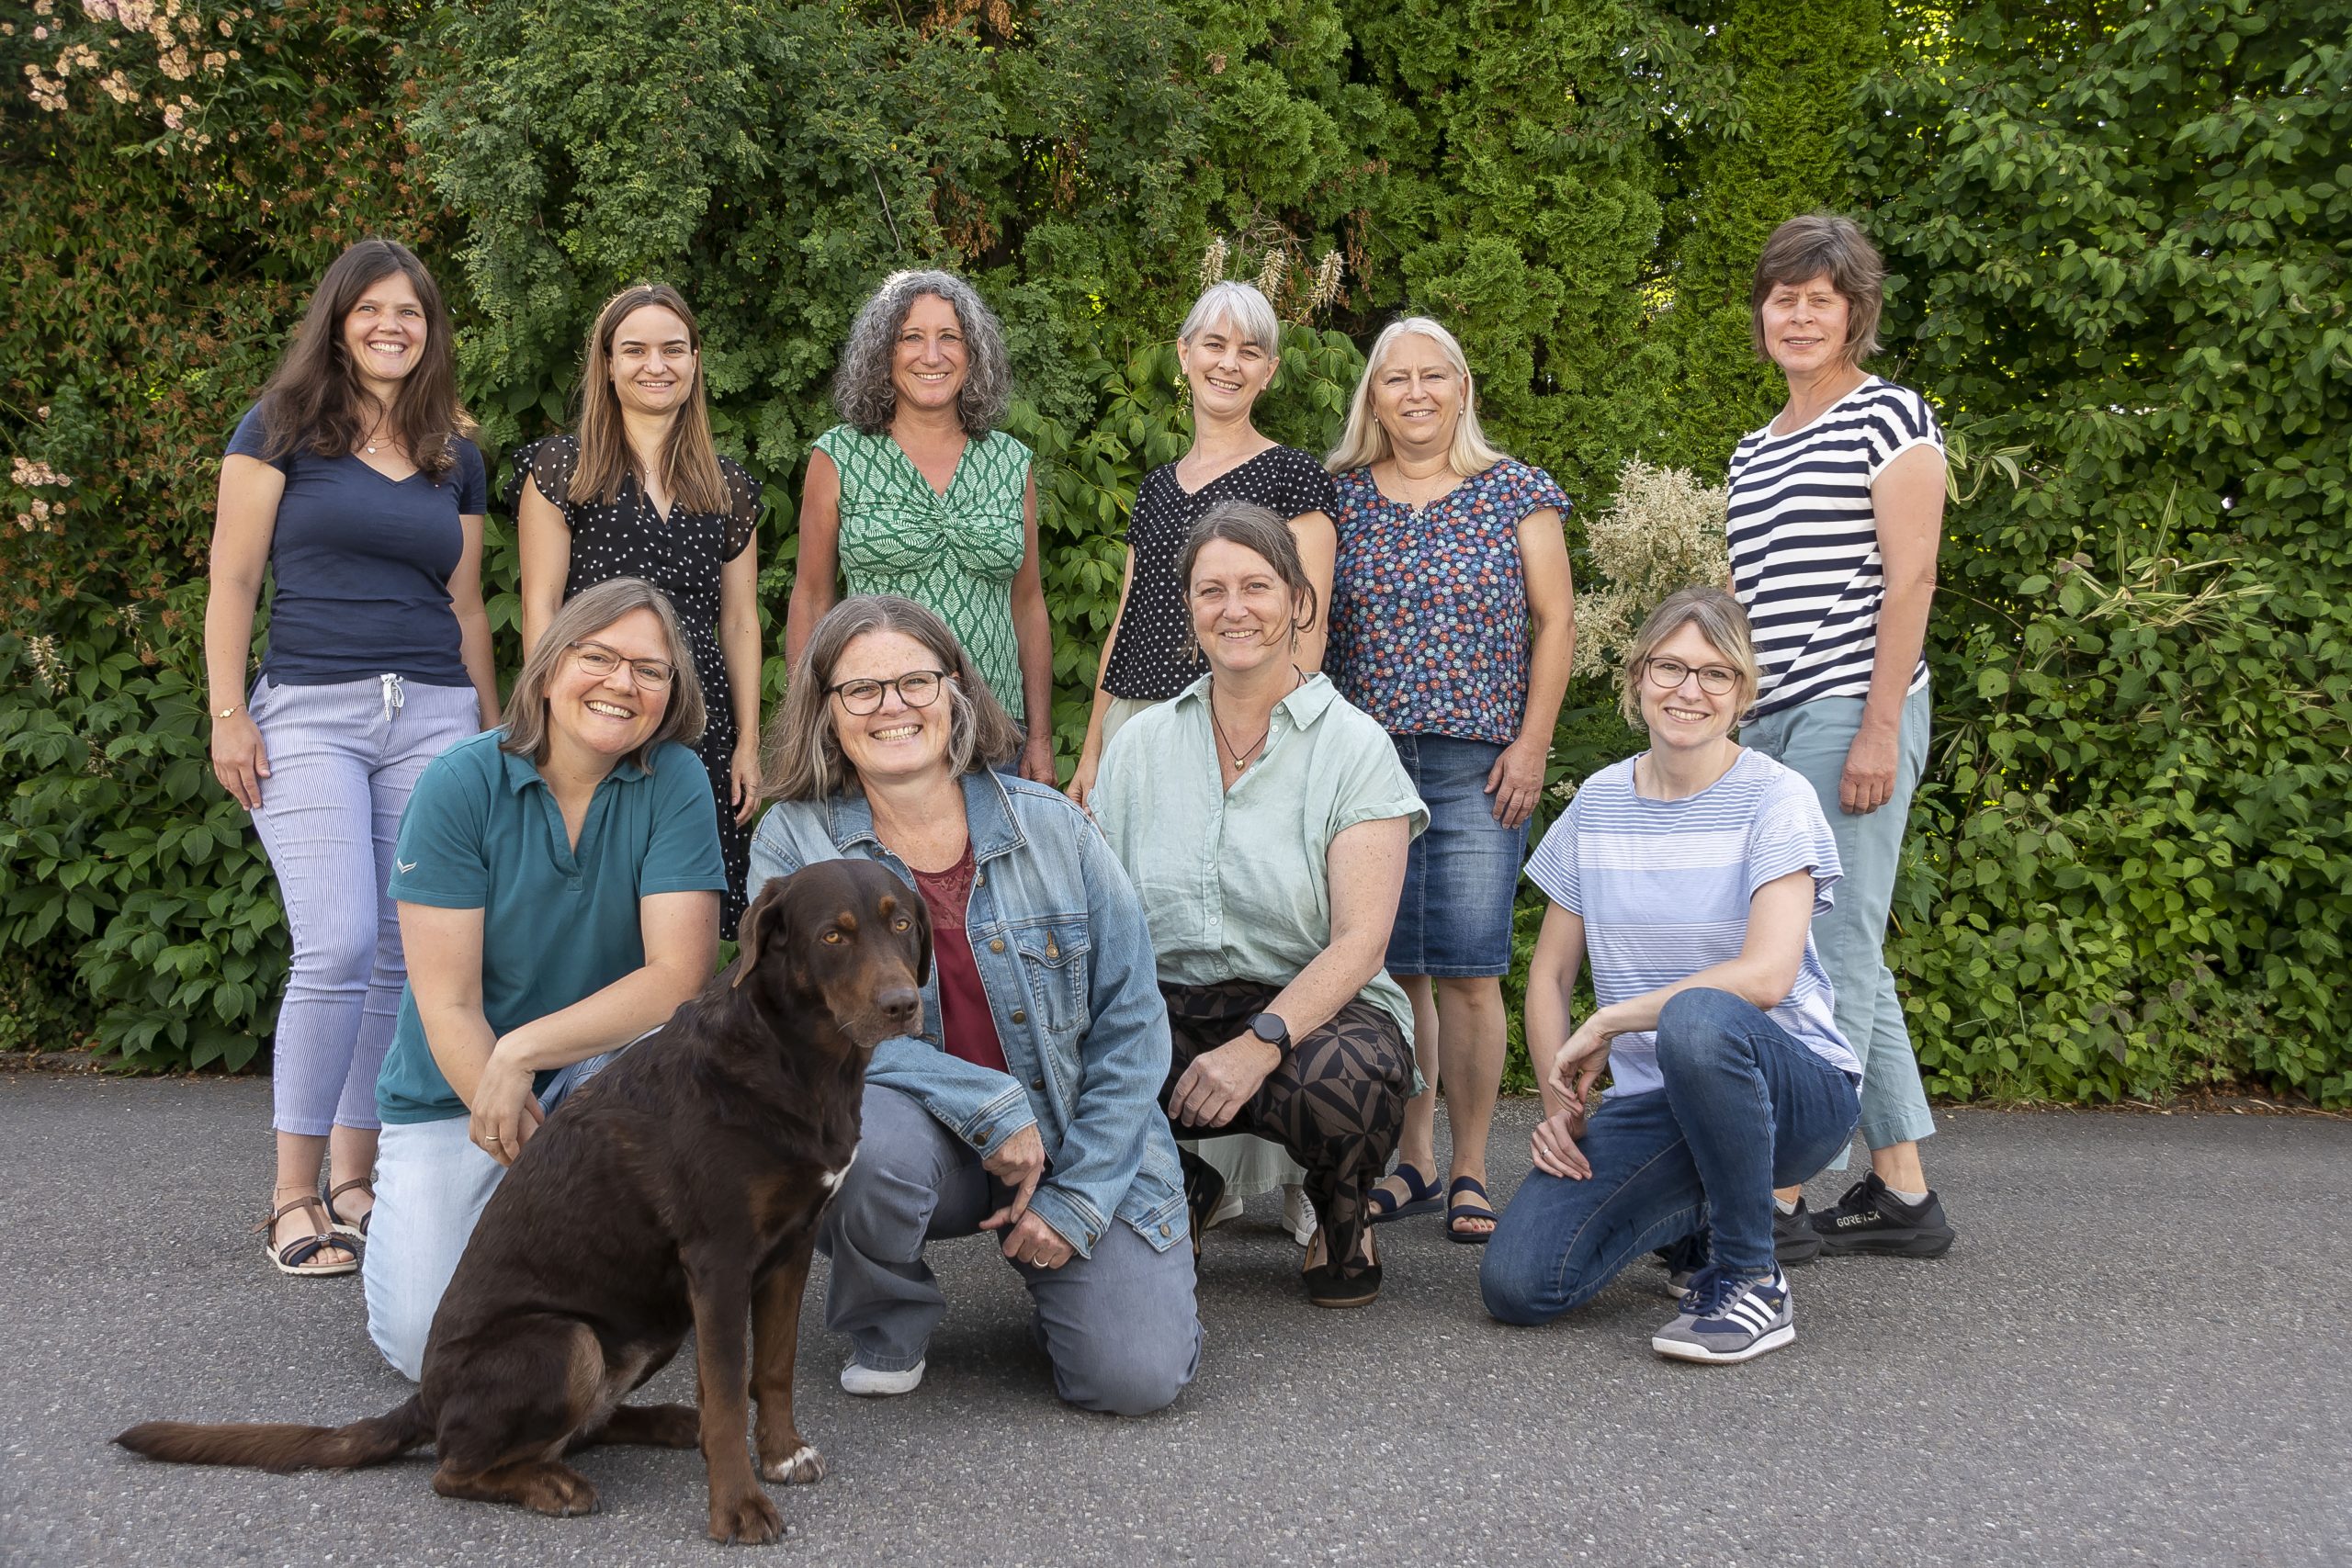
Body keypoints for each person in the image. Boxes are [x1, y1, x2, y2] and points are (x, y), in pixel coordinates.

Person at [747, 596, 1200, 1416]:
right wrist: (990, 1105)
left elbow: (1134, 1023)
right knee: (865, 1139)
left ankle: (1079, 1270)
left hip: (1070, 1132)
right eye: (861, 690)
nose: (893, 706)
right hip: (920, 1141)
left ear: (955, 688)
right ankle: (888, 1317)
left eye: (915, 680)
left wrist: (1082, 1196)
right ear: (827, 712)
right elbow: (797, 1024)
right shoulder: (794, 842)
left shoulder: (1056, 828)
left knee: (1132, 1377)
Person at [204, 237, 500, 1278]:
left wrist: (489, 736)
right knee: (332, 944)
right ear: (338, 320)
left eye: (410, 313)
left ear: (430, 331)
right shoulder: (279, 428)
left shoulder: (452, 452)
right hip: (309, 714)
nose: (391, 326)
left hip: (430, 713)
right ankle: (290, 1198)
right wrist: (227, 712)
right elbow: (233, 582)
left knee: (398, 956)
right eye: (372, 309)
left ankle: (352, 1180)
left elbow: (465, 606)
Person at [1479, 588, 1861, 1363]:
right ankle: (1694, 1230)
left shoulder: (1776, 798)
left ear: (1743, 694)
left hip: (1794, 1094)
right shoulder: (1598, 801)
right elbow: (1550, 974)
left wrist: (1615, 1019)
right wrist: (1560, 1105)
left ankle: (1753, 1275)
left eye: (1716, 674)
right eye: (1671, 668)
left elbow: (1765, 975)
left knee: (1696, 1014)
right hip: (1664, 1103)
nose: (1690, 690)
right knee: (1520, 1283)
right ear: (1636, 677)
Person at [361, 579, 726, 1378]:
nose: (622, 683)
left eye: (650, 669)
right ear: (553, 665)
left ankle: (640, 1277)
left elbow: (677, 977)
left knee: (691, 1049)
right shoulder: (459, 784)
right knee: (430, 1345)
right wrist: (510, 1106)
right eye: (599, 656)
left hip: (602, 1075)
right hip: (456, 1091)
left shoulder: (676, 781)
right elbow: (448, 999)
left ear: (673, 690)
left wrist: (523, 1048)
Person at [1093, 502, 1426, 1309]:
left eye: (1257, 586)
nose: (1234, 608)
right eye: (1212, 590)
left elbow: (1360, 944)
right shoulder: (1138, 746)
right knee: (1056, 1047)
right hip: (1167, 1002)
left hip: (1312, 1013)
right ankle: (1180, 1184)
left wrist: (1260, 1043)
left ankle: (1343, 1216)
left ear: (1298, 601)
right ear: (1189, 607)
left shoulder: (1354, 747)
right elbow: (1099, 917)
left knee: (1353, 1076)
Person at [1067, 278, 1339, 1243]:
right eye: (1211, 344)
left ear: (1268, 369)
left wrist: (1277, 739)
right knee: (1166, 943)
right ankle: (1190, 1163)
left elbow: (1304, 620)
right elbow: (1132, 615)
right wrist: (1097, 745)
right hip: (1149, 726)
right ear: (1182, 355)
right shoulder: (1156, 486)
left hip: (1242, 722)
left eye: (1249, 349)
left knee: (1266, 931)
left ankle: (1313, 1163)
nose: (1227, 363)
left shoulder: (1296, 476)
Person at [1728, 212, 1956, 1257]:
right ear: (1762, 314)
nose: (1800, 313)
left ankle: (1779, 1195)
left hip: (1850, 710)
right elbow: (1752, 600)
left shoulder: (1889, 417)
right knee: (1841, 941)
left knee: (1828, 949)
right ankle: (1902, 1191)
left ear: (1854, 312)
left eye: (1821, 298)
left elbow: (1910, 577)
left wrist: (1874, 730)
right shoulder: (1751, 449)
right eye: (1784, 297)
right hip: (1768, 719)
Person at [1325, 316, 1575, 1246]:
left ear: (1462, 388)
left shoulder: (1516, 492)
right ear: (1374, 396)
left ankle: (1472, 1168)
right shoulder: (1338, 498)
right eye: (1397, 379)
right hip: (1366, 767)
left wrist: (1533, 744)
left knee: (1469, 971)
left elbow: (1556, 623)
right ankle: (1413, 1158)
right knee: (1390, 973)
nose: (1417, 393)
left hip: (1481, 762)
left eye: (1435, 376)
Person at [515, 284, 764, 929]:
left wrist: (749, 742)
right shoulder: (564, 469)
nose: (657, 365)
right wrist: (547, 718)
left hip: (701, 718)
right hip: (597, 704)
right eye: (636, 350)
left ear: (695, 360)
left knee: (685, 908)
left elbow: (738, 621)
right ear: (607, 363)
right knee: (593, 897)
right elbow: (541, 603)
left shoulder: (726, 484)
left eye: (673, 349)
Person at [785, 269, 1056, 784]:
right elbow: (813, 598)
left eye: (949, 337)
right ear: (883, 354)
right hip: (881, 725)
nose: (932, 356)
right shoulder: (840, 455)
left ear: (974, 354)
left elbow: (1028, 604)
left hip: (994, 734)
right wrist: (812, 727)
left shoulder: (1011, 462)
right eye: (911, 337)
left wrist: (1039, 737)